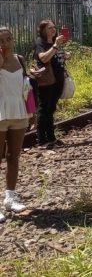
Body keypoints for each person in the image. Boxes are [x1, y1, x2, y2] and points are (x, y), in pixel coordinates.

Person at [0, 27, 39, 222]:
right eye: (1, 41)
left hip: (19, 111)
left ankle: (10, 197)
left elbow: (25, 86)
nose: (5, 43)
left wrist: (32, 112)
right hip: (1, 112)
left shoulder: (20, 59)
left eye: (8, 39)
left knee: (13, 156)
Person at [34, 20, 70, 148]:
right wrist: (55, 46)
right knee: (44, 109)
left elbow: (57, 57)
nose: (53, 30)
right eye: (50, 28)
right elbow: (43, 58)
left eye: (54, 27)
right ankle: (41, 140)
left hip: (58, 79)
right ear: (43, 30)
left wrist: (65, 55)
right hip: (47, 80)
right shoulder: (41, 42)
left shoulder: (56, 41)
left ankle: (51, 138)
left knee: (51, 109)